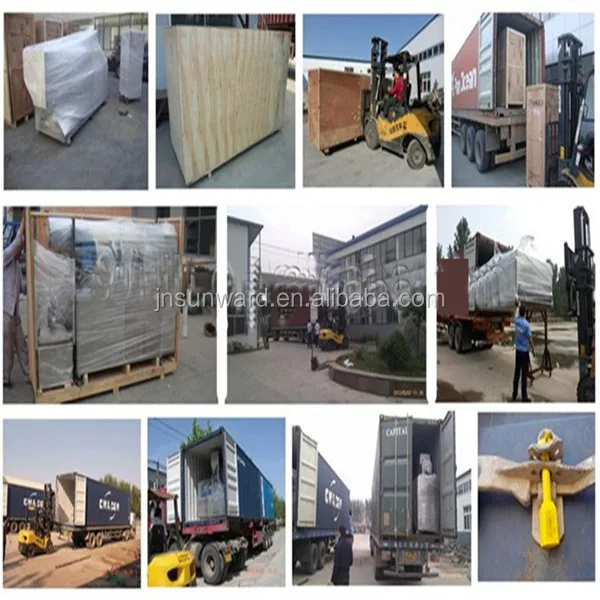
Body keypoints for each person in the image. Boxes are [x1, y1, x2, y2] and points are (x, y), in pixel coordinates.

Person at [4, 219, 29, 389]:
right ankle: (4, 378)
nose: (21, 252)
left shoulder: (17, 268)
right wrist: (24, 220)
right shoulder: (5, 257)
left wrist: (34, 285)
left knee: (21, 344)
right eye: (20, 249)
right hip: (5, 311)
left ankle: (28, 374)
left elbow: (22, 288)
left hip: (15, 312)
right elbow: (17, 242)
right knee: (7, 347)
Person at [513, 304, 535, 402]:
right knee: (524, 375)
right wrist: (533, 350)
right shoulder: (526, 325)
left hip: (518, 352)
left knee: (517, 373)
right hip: (524, 353)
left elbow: (515, 314)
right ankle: (524, 397)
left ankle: (514, 394)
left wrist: (517, 305)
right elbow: (530, 339)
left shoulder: (516, 321)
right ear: (525, 313)